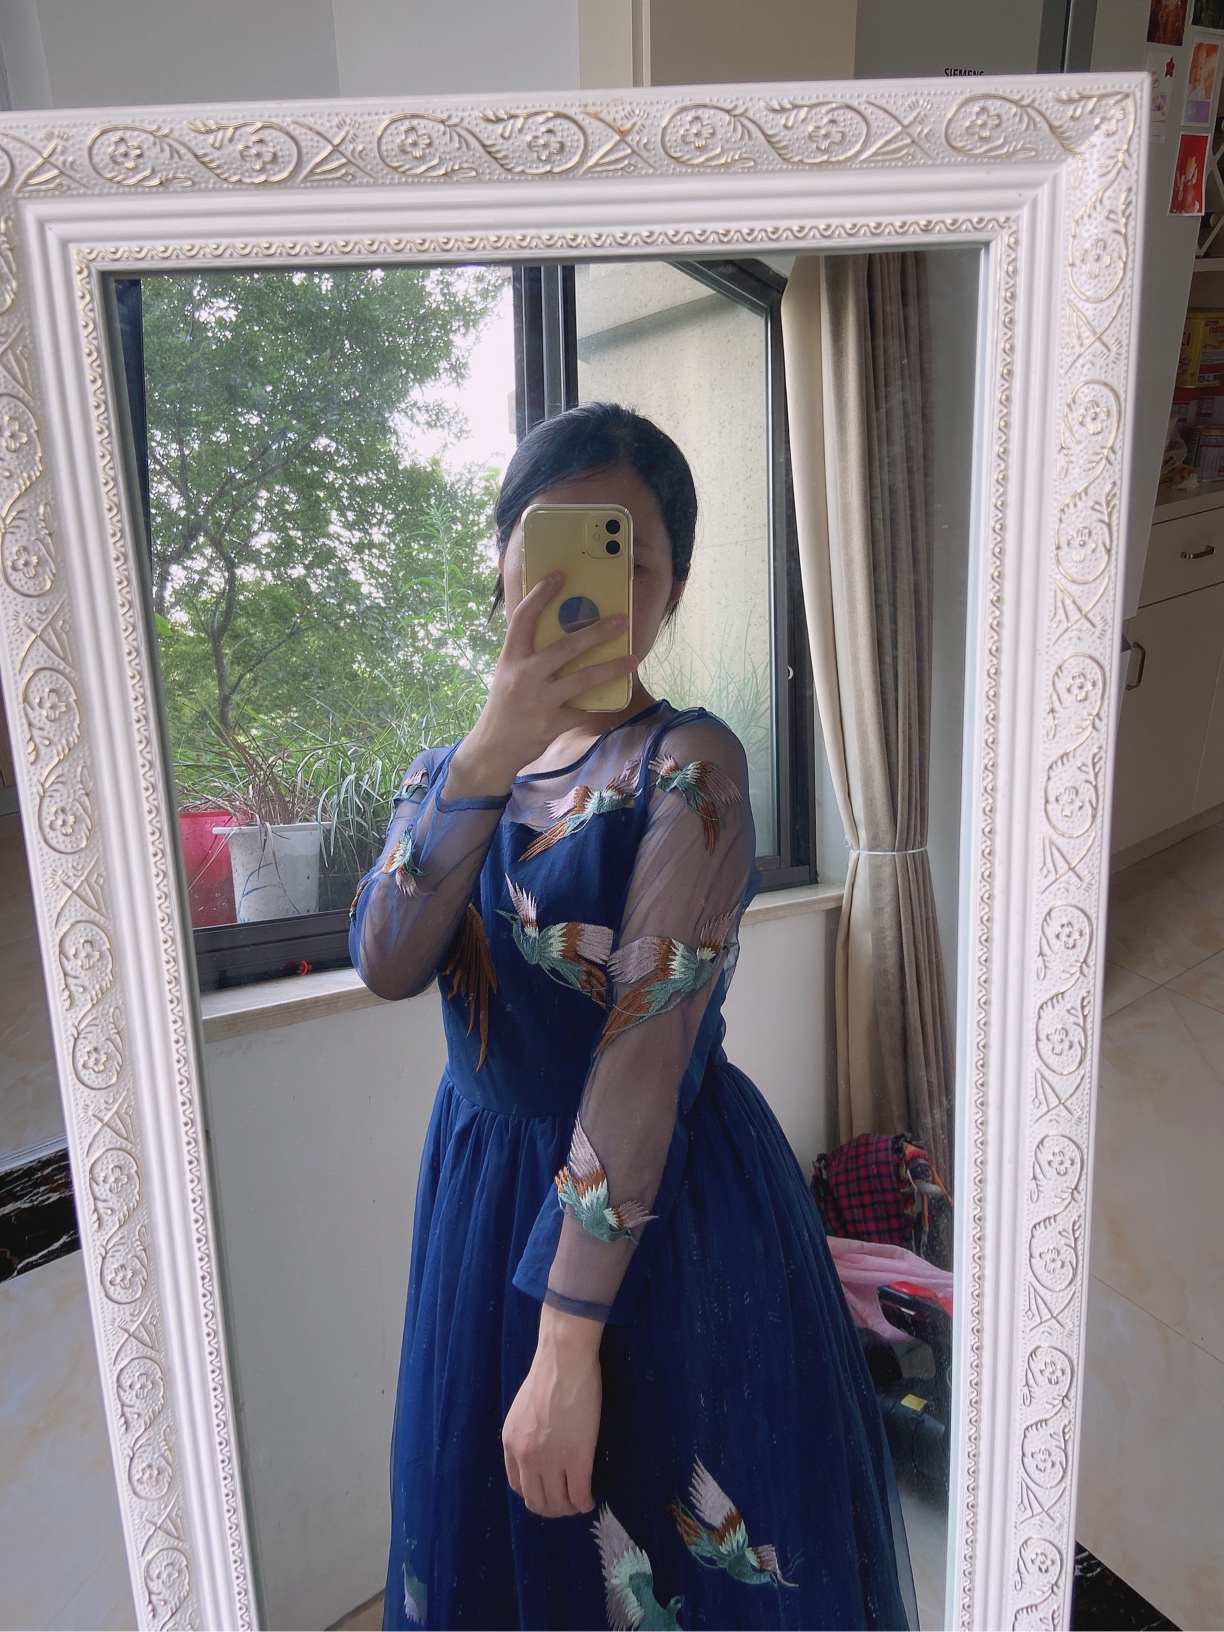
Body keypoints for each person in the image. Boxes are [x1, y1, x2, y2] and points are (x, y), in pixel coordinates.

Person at [350, 402, 914, 1631]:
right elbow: (385, 960)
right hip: (483, 1195)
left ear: (671, 593)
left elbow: (645, 1055)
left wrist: (566, 1347)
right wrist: (488, 752)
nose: (589, 594)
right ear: (502, 565)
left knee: (668, 1547)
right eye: (549, 552)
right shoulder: (442, 774)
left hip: (666, 1210)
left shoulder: (689, 763)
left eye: (630, 562)